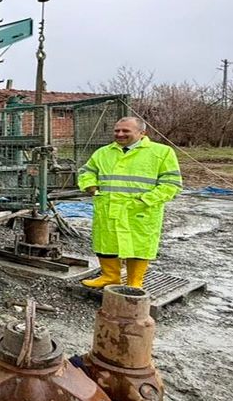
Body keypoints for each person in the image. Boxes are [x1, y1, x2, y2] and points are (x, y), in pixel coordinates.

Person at [77, 116, 182, 289]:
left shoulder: (161, 152)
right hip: (108, 206)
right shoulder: (103, 152)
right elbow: (86, 172)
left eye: (126, 131)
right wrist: (92, 187)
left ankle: (135, 281)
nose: (120, 134)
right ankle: (110, 276)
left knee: (139, 245)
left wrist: (145, 200)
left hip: (141, 211)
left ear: (142, 133)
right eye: (117, 130)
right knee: (105, 242)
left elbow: (172, 184)